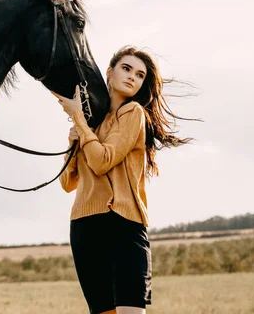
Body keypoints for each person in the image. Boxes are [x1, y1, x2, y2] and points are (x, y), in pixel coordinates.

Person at [52, 45, 193, 314]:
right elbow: (68, 183)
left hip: (123, 225)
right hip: (85, 227)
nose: (132, 77)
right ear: (110, 72)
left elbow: (103, 160)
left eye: (140, 75)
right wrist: (75, 141)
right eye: (126, 69)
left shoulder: (133, 114)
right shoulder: (93, 122)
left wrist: (78, 121)